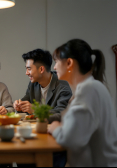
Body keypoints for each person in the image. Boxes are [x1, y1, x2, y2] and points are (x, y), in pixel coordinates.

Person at [48, 39, 117, 167]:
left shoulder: (88, 90)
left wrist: (56, 128)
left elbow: (71, 139)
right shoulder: (92, 87)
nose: (54, 67)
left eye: (56, 61)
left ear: (69, 63)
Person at [13, 49, 72, 124]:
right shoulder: (33, 84)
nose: (26, 73)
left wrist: (35, 110)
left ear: (41, 69)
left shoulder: (62, 86)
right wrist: (19, 105)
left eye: (29, 69)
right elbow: (26, 100)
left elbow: (61, 113)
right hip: (36, 128)